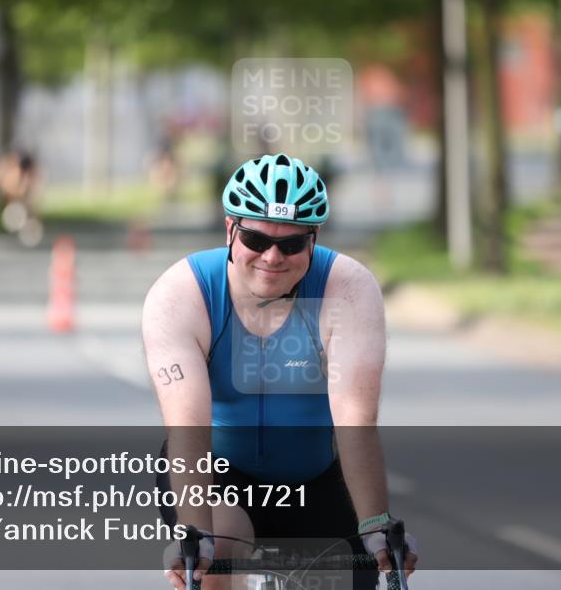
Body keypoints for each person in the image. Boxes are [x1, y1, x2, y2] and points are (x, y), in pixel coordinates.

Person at [143, 153, 418, 589]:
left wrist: (376, 523)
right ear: (229, 228)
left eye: (291, 244)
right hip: (220, 476)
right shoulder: (181, 294)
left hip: (320, 479)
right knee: (218, 554)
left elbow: (355, 420)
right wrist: (195, 536)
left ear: (314, 238)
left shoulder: (347, 288)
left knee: (362, 569)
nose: (272, 257)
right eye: (255, 239)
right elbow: (188, 427)